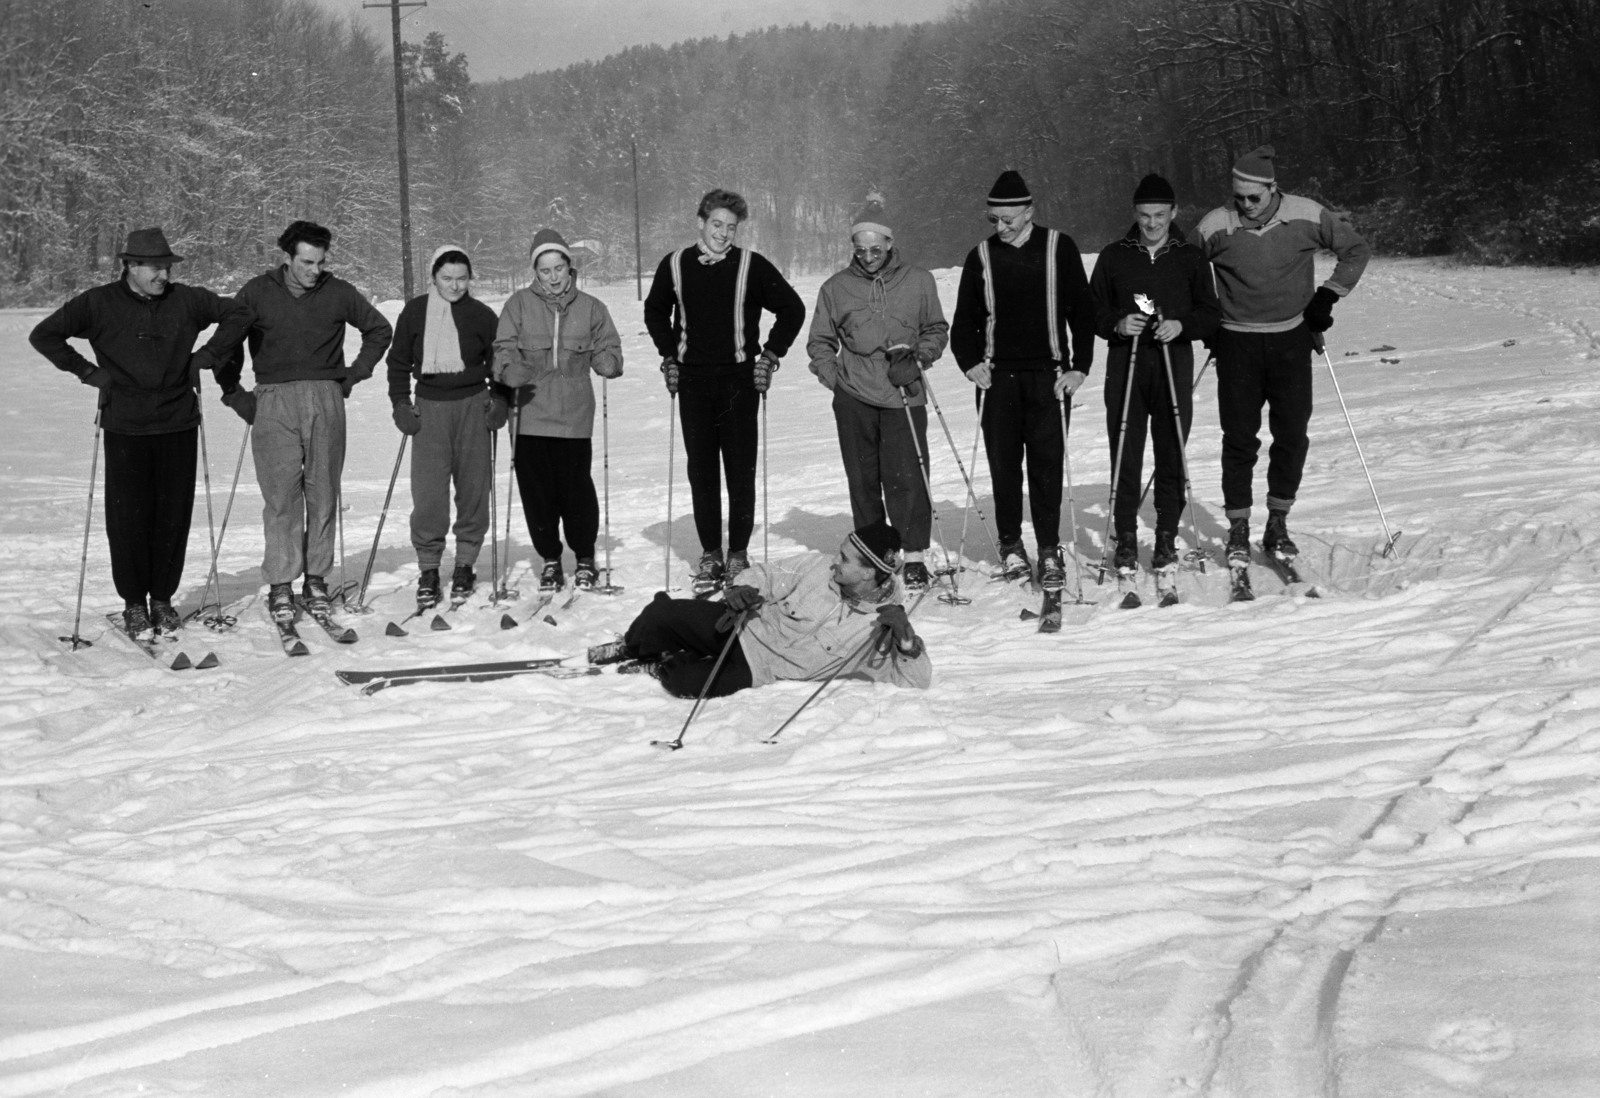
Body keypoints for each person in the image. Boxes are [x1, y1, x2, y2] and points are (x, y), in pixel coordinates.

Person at [29, 228, 240, 639]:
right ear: (130, 266)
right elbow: (45, 335)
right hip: (125, 424)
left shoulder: (188, 300)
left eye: (166, 267)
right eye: (155, 269)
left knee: (173, 515)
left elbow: (240, 314)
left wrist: (206, 358)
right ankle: (133, 605)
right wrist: (89, 373)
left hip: (178, 421)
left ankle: (162, 600)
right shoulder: (98, 303)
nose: (163, 276)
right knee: (128, 518)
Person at [196, 220, 393, 623]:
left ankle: (316, 579)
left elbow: (379, 329)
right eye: (306, 262)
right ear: (286, 258)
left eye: (320, 262)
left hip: (325, 396)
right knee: (281, 497)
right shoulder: (257, 292)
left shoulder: (338, 292)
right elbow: (227, 344)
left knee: (323, 492)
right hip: (273, 399)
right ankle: (282, 584)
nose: (314, 270)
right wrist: (234, 394)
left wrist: (353, 375)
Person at [1195, 144, 1370, 565]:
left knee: (1291, 436)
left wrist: (1327, 296)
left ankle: (1277, 522)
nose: (1246, 206)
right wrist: (1206, 320)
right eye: (1239, 198)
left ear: (1273, 189)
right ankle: (1238, 526)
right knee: (1239, 439)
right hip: (1236, 342)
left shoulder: (1307, 214)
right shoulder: (1215, 224)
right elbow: (1185, 270)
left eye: (1254, 197)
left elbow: (1355, 251)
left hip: (1291, 339)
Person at [643, 188, 806, 595]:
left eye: (731, 227)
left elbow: (793, 308)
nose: (723, 234)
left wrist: (769, 356)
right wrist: (669, 356)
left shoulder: (750, 264)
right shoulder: (677, 264)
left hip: (738, 381)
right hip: (693, 381)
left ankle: (738, 553)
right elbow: (654, 310)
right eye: (716, 224)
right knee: (701, 470)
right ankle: (711, 553)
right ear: (700, 222)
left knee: (739, 470)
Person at [950, 170, 1096, 591]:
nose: (1002, 226)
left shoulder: (1058, 247)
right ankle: (1011, 545)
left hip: (1049, 377)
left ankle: (1049, 548)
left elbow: (1081, 314)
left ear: (1030, 211)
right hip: (998, 379)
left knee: (1047, 467)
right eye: (994, 218)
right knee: (1004, 466)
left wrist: (1079, 367)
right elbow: (966, 321)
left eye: (1010, 218)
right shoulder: (980, 255)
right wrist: (970, 363)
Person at [590, 521, 930, 699]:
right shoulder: (816, 567)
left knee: (686, 682)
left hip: (761, 670)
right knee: (659, 616)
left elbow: (917, 681)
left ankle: (662, 662)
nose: (834, 562)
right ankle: (631, 645)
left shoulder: (881, 625)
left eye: (844, 559)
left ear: (869, 572)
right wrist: (744, 588)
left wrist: (907, 645)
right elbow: (769, 575)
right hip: (742, 627)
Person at [807, 197, 950, 591]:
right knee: (863, 479)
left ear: (889, 244)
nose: (868, 257)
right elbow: (819, 341)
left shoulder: (919, 281)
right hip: (854, 396)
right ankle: (874, 555)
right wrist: (834, 378)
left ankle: (915, 554)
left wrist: (920, 358)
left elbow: (936, 329)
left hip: (903, 391)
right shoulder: (835, 288)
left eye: (876, 249)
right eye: (860, 249)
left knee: (907, 476)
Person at [1088, 174, 1221, 575]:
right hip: (1126, 364)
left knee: (1171, 451)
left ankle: (1165, 535)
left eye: (1159, 215)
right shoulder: (1114, 256)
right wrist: (1116, 323)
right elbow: (1091, 309)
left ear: (1174, 213)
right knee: (1126, 451)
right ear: (1135, 214)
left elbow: (1210, 313)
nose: (1151, 224)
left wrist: (1182, 326)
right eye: (1144, 215)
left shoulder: (1190, 257)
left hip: (1172, 362)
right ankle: (1125, 537)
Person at [493, 229, 623, 592]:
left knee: (576, 491)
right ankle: (550, 558)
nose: (552, 277)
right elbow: (502, 347)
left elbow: (610, 346)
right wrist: (507, 369)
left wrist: (608, 361)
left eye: (559, 268)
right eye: (545, 269)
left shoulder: (592, 307)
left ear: (570, 267)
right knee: (537, 494)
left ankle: (584, 557)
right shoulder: (517, 305)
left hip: (574, 416)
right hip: (529, 414)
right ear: (535, 271)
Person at [387, 244, 509, 610]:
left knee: (473, 490)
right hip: (430, 410)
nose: (455, 286)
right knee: (429, 496)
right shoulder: (415, 312)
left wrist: (500, 398)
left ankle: (465, 565)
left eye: (461, 279)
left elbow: (500, 358)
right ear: (433, 278)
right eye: (447, 279)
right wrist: (400, 403)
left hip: (473, 406)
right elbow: (398, 361)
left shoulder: (482, 314)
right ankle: (428, 568)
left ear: (470, 279)